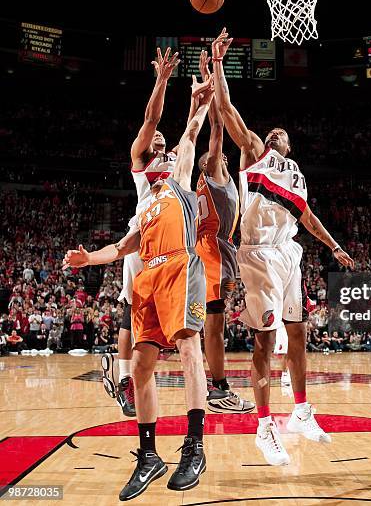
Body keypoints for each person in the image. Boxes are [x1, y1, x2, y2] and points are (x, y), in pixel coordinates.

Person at [63, 74, 213, 501]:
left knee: (188, 349)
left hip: (181, 267)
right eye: (157, 147)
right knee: (142, 368)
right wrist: (89, 258)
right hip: (147, 277)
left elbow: (190, 130)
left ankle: (195, 446)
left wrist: (199, 95)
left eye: (166, 146)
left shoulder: (180, 178)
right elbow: (124, 245)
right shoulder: (144, 203)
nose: (162, 147)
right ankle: (149, 456)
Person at [211, 28, 354, 466]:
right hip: (256, 254)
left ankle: (301, 411)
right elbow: (230, 112)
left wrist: (333, 246)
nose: (276, 133)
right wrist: (218, 65)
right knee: (263, 340)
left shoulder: (296, 175)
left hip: (290, 253)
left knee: (298, 333)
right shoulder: (254, 152)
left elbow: (307, 217)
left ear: (290, 146)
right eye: (273, 130)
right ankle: (264, 426)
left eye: (282, 132)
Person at [101, 47, 180, 418]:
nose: (159, 139)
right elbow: (152, 118)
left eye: (164, 139)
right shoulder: (140, 162)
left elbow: (197, 133)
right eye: (155, 138)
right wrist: (161, 81)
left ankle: (132, 377)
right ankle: (124, 381)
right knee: (131, 311)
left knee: (158, 319)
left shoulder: (177, 161)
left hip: (175, 243)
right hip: (142, 239)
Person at [194, 49, 254, 414]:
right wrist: (212, 75)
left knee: (210, 326)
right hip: (214, 259)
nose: (223, 158)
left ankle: (210, 384)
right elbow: (217, 128)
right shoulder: (214, 175)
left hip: (214, 256)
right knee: (214, 328)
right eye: (217, 158)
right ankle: (218, 389)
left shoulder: (214, 182)